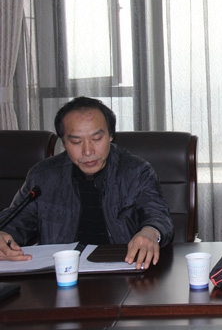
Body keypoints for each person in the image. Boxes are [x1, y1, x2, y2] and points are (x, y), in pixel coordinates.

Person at [0, 97, 174, 269]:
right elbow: (15, 221)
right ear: (64, 143)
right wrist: (3, 234)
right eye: (76, 141)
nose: (88, 151)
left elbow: (158, 215)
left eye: (96, 139)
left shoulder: (136, 171)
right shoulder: (43, 176)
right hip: (60, 274)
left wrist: (150, 232)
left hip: (122, 271)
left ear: (110, 136)